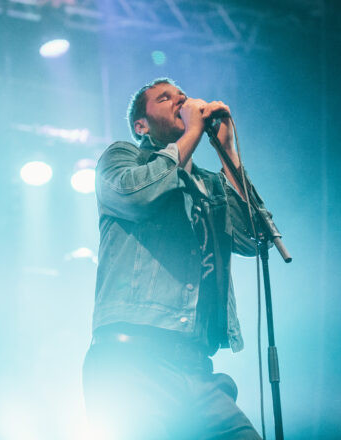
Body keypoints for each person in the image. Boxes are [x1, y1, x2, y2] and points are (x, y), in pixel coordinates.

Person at [83, 78, 265, 439]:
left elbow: (254, 239)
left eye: (180, 95)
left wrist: (227, 150)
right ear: (141, 125)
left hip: (197, 368)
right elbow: (138, 196)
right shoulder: (123, 158)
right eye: (164, 98)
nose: (179, 100)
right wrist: (191, 135)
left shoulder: (209, 183)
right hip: (132, 360)